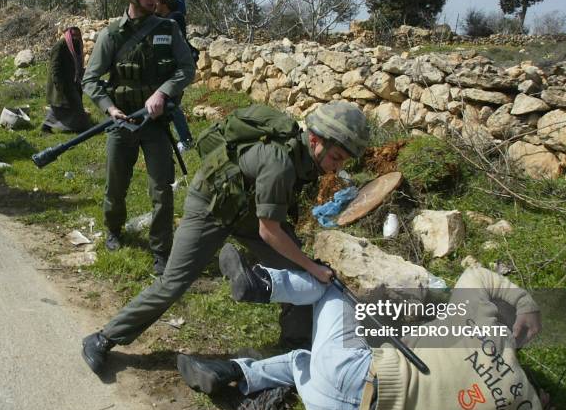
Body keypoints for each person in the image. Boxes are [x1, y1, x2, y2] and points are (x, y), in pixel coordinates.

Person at [178, 246, 564, 410]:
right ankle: (234, 372)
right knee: (302, 361)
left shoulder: (477, 320)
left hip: (355, 374)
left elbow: (479, 275)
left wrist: (528, 303)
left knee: (327, 281)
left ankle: (262, 282)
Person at [81, 101, 369, 373]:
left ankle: (292, 348)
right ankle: (104, 338)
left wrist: (304, 265)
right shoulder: (280, 162)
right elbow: (269, 231)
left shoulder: (305, 158)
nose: (337, 167)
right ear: (316, 140)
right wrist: (311, 265)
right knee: (173, 283)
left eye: (342, 161)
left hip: (246, 211)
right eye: (336, 158)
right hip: (211, 207)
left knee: (297, 274)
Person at [82, 0, 196, 275]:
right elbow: (90, 80)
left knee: (161, 188)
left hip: (155, 124)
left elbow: (186, 69)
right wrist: (109, 108)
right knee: (116, 184)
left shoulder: (168, 29)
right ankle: (114, 230)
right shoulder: (112, 35)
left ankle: (162, 251)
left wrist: (163, 93)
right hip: (122, 122)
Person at [156, 0, 195, 152]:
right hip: (167, 67)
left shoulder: (174, 18)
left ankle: (185, 140)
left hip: (175, 68)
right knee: (170, 104)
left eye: (157, 1)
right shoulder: (166, 18)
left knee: (171, 104)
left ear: (163, 4)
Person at [41, 27, 92, 134]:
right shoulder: (60, 46)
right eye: (74, 36)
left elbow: (78, 62)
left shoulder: (77, 44)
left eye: (78, 36)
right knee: (61, 107)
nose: (76, 38)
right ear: (69, 35)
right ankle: (47, 127)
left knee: (70, 105)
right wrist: (58, 85)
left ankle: (79, 127)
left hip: (72, 81)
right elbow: (54, 67)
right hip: (62, 82)